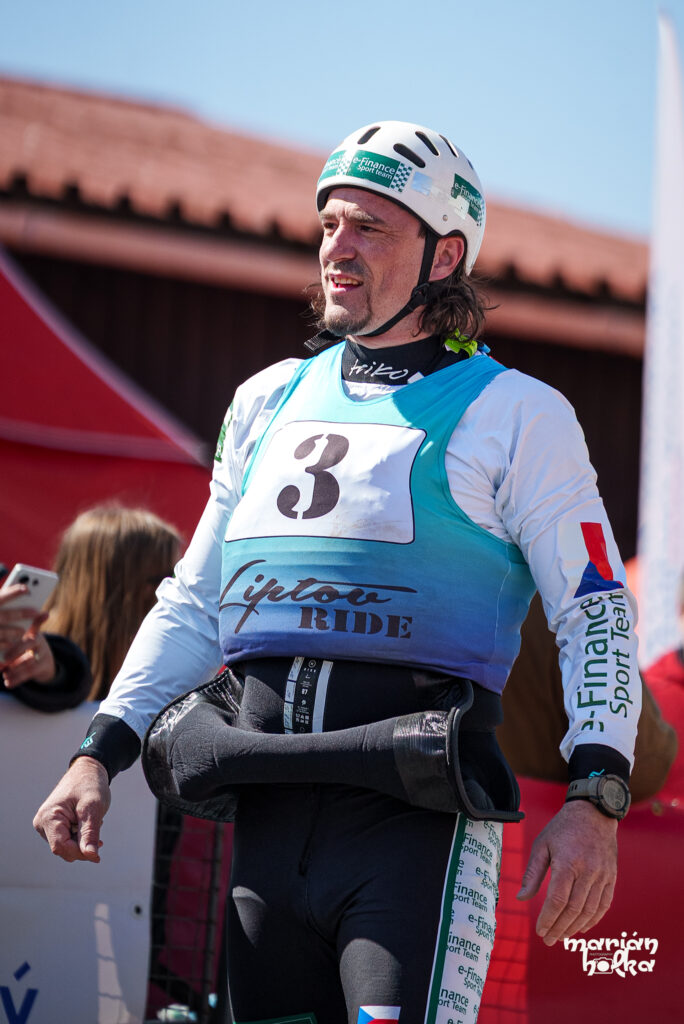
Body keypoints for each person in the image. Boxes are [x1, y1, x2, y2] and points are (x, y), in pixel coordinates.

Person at [34, 121, 640, 1024]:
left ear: (445, 257)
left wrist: (597, 792)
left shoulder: (518, 413)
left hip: (416, 830)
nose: (337, 249)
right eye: (328, 225)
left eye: (370, 228)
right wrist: (98, 753)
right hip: (267, 825)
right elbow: (195, 602)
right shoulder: (266, 398)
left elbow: (597, 610)